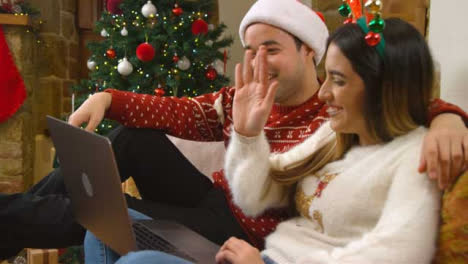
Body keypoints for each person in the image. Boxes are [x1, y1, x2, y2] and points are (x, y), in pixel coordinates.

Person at [1, 0, 467, 259]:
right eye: (250, 50)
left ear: (309, 52)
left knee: (104, 211)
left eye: (272, 49)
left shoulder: (342, 109)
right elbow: (179, 113)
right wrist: (109, 98)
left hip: (248, 233)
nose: (258, 63)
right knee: (130, 138)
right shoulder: (237, 97)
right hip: (218, 200)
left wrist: (449, 116)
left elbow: (401, 100)